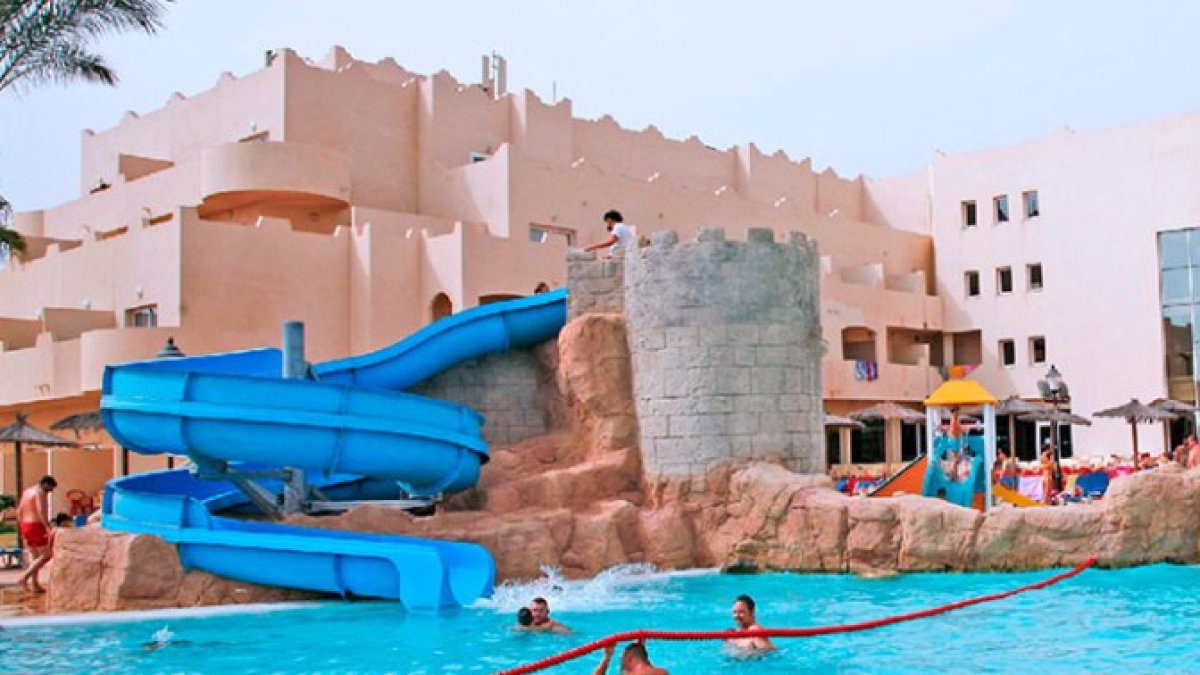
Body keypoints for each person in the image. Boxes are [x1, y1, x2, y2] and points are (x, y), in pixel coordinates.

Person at [16, 475, 57, 593]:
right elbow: (41, 511)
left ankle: (35, 584)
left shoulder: (27, 492)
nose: (50, 492)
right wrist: (47, 527)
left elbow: (19, 511)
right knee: (47, 555)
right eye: (50, 489)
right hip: (36, 525)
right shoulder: (40, 492)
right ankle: (24, 577)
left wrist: (21, 528)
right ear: (46, 484)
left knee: (35, 557)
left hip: (25, 524)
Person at [593, 641, 668, 675]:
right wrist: (641, 648)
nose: (621, 664)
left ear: (630, 658)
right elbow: (643, 660)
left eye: (622, 659)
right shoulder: (662, 672)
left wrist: (607, 656)